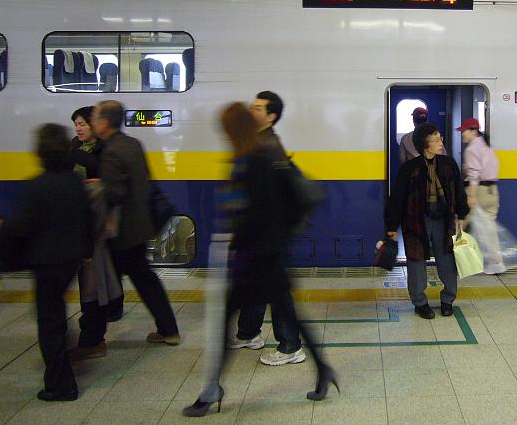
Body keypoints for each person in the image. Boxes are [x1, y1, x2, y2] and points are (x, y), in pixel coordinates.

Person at [183, 103, 337, 417]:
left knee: (226, 323)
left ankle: (212, 388)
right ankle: (323, 370)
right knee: (289, 314)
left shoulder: (250, 163)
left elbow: (253, 215)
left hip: (256, 258)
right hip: (268, 254)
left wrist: (235, 246)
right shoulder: (261, 158)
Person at [0, 124, 94, 401]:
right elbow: (88, 219)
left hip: (47, 262)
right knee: (55, 314)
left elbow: (23, 226)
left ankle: (61, 385)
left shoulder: (37, 185)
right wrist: (87, 250)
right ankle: (66, 363)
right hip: (71, 260)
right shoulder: (75, 182)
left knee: (49, 322)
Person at [92, 100, 180, 345]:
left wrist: (97, 188)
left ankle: (92, 340)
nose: (92, 123)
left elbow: (115, 194)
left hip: (120, 232)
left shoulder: (111, 152)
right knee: (144, 281)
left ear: (105, 122)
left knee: (103, 285)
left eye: (96, 118)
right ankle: (168, 329)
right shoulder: (132, 144)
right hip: (139, 226)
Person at [230, 91, 305, 368]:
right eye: (251, 106)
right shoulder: (258, 143)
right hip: (263, 234)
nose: (252, 111)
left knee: (277, 291)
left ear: (271, 115)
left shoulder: (267, 146)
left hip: (269, 234)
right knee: (256, 283)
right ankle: (249, 333)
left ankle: (291, 346)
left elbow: (265, 198)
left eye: (258, 108)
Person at [385, 123, 469, 319]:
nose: (441, 142)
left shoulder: (449, 164)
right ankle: (420, 302)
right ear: (424, 144)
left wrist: (462, 215)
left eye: (440, 138)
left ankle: (448, 299)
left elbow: (458, 191)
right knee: (416, 261)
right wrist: (391, 226)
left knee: (447, 260)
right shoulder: (409, 169)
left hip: (444, 220)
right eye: (436, 139)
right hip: (415, 221)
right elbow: (397, 199)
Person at [68, 106, 124, 360]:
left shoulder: (103, 150)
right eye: (76, 124)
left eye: (83, 124)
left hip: (99, 229)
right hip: (80, 228)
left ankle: (93, 338)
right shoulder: (74, 148)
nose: (79, 128)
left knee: (95, 286)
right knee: (91, 286)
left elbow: (110, 186)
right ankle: (91, 332)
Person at [458, 117, 504, 274]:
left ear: (473, 131)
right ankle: (495, 262)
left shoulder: (471, 150)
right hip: (493, 192)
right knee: (489, 228)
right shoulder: (487, 148)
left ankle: (456, 257)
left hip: (479, 192)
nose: (462, 134)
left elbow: (474, 175)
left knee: (461, 221)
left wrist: (471, 196)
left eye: (464, 131)